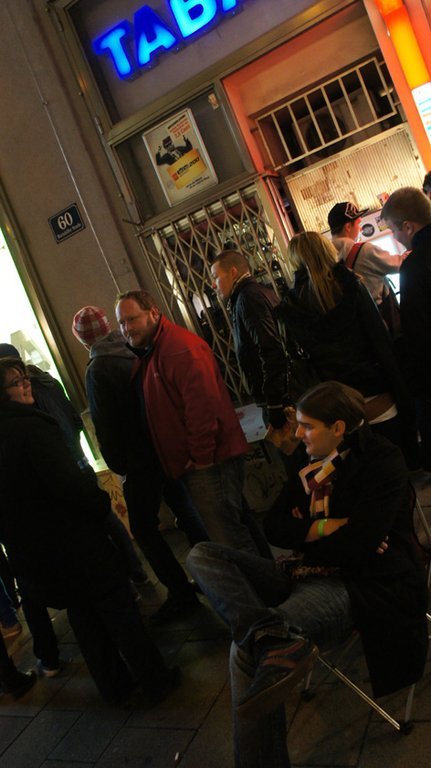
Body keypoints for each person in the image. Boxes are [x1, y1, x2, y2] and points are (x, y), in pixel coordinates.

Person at [187, 381, 428, 768]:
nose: (297, 434)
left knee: (244, 651)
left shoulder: (381, 459)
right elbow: (273, 527)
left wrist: (321, 536)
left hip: (358, 581)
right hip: (304, 570)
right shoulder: (309, 462)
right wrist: (326, 527)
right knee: (203, 555)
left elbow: (358, 549)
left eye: (307, 425)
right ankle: (272, 634)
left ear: (338, 427)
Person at [0, 356, 179, 704]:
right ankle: (155, 679)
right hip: (73, 543)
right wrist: (99, 503)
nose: (26, 385)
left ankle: (114, 687)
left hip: (38, 552)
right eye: (17, 382)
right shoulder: (32, 428)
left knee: (84, 617)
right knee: (118, 609)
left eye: (24, 378)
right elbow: (69, 484)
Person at [72, 305, 205, 623]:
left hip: (138, 459)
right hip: (162, 446)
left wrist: (118, 463)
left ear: (82, 339)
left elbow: (105, 424)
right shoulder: (132, 347)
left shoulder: (98, 368)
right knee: (186, 510)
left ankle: (180, 593)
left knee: (144, 528)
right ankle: (215, 571)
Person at [115, 289, 263, 557]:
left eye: (132, 319)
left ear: (153, 313)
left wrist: (200, 457)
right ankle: (264, 579)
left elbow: (202, 408)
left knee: (229, 539)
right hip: (199, 463)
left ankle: (262, 583)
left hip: (209, 463)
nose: (127, 328)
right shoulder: (155, 350)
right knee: (232, 531)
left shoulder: (178, 349)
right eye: (122, 323)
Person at [276, 231, 415, 460]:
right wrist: (402, 392)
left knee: (360, 470)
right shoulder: (351, 286)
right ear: (327, 250)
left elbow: (297, 359)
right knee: (396, 461)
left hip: (334, 404)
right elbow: (380, 340)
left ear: (293, 261)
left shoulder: (290, 308)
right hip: (376, 391)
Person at [210, 250, 289, 430]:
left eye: (216, 277)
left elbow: (270, 348)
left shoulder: (248, 298)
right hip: (281, 395)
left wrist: (274, 402)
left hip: (280, 400)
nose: (213, 285)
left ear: (233, 272)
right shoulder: (257, 292)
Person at [382, 187, 431, 470]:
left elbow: (418, 331)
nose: (395, 237)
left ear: (408, 226)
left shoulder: (414, 266)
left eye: (393, 230)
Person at [328, 202, 404, 335]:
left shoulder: (325, 257)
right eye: (358, 223)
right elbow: (399, 264)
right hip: (381, 320)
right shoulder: (364, 250)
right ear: (348, 227)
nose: (360, 228)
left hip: (354, 328)